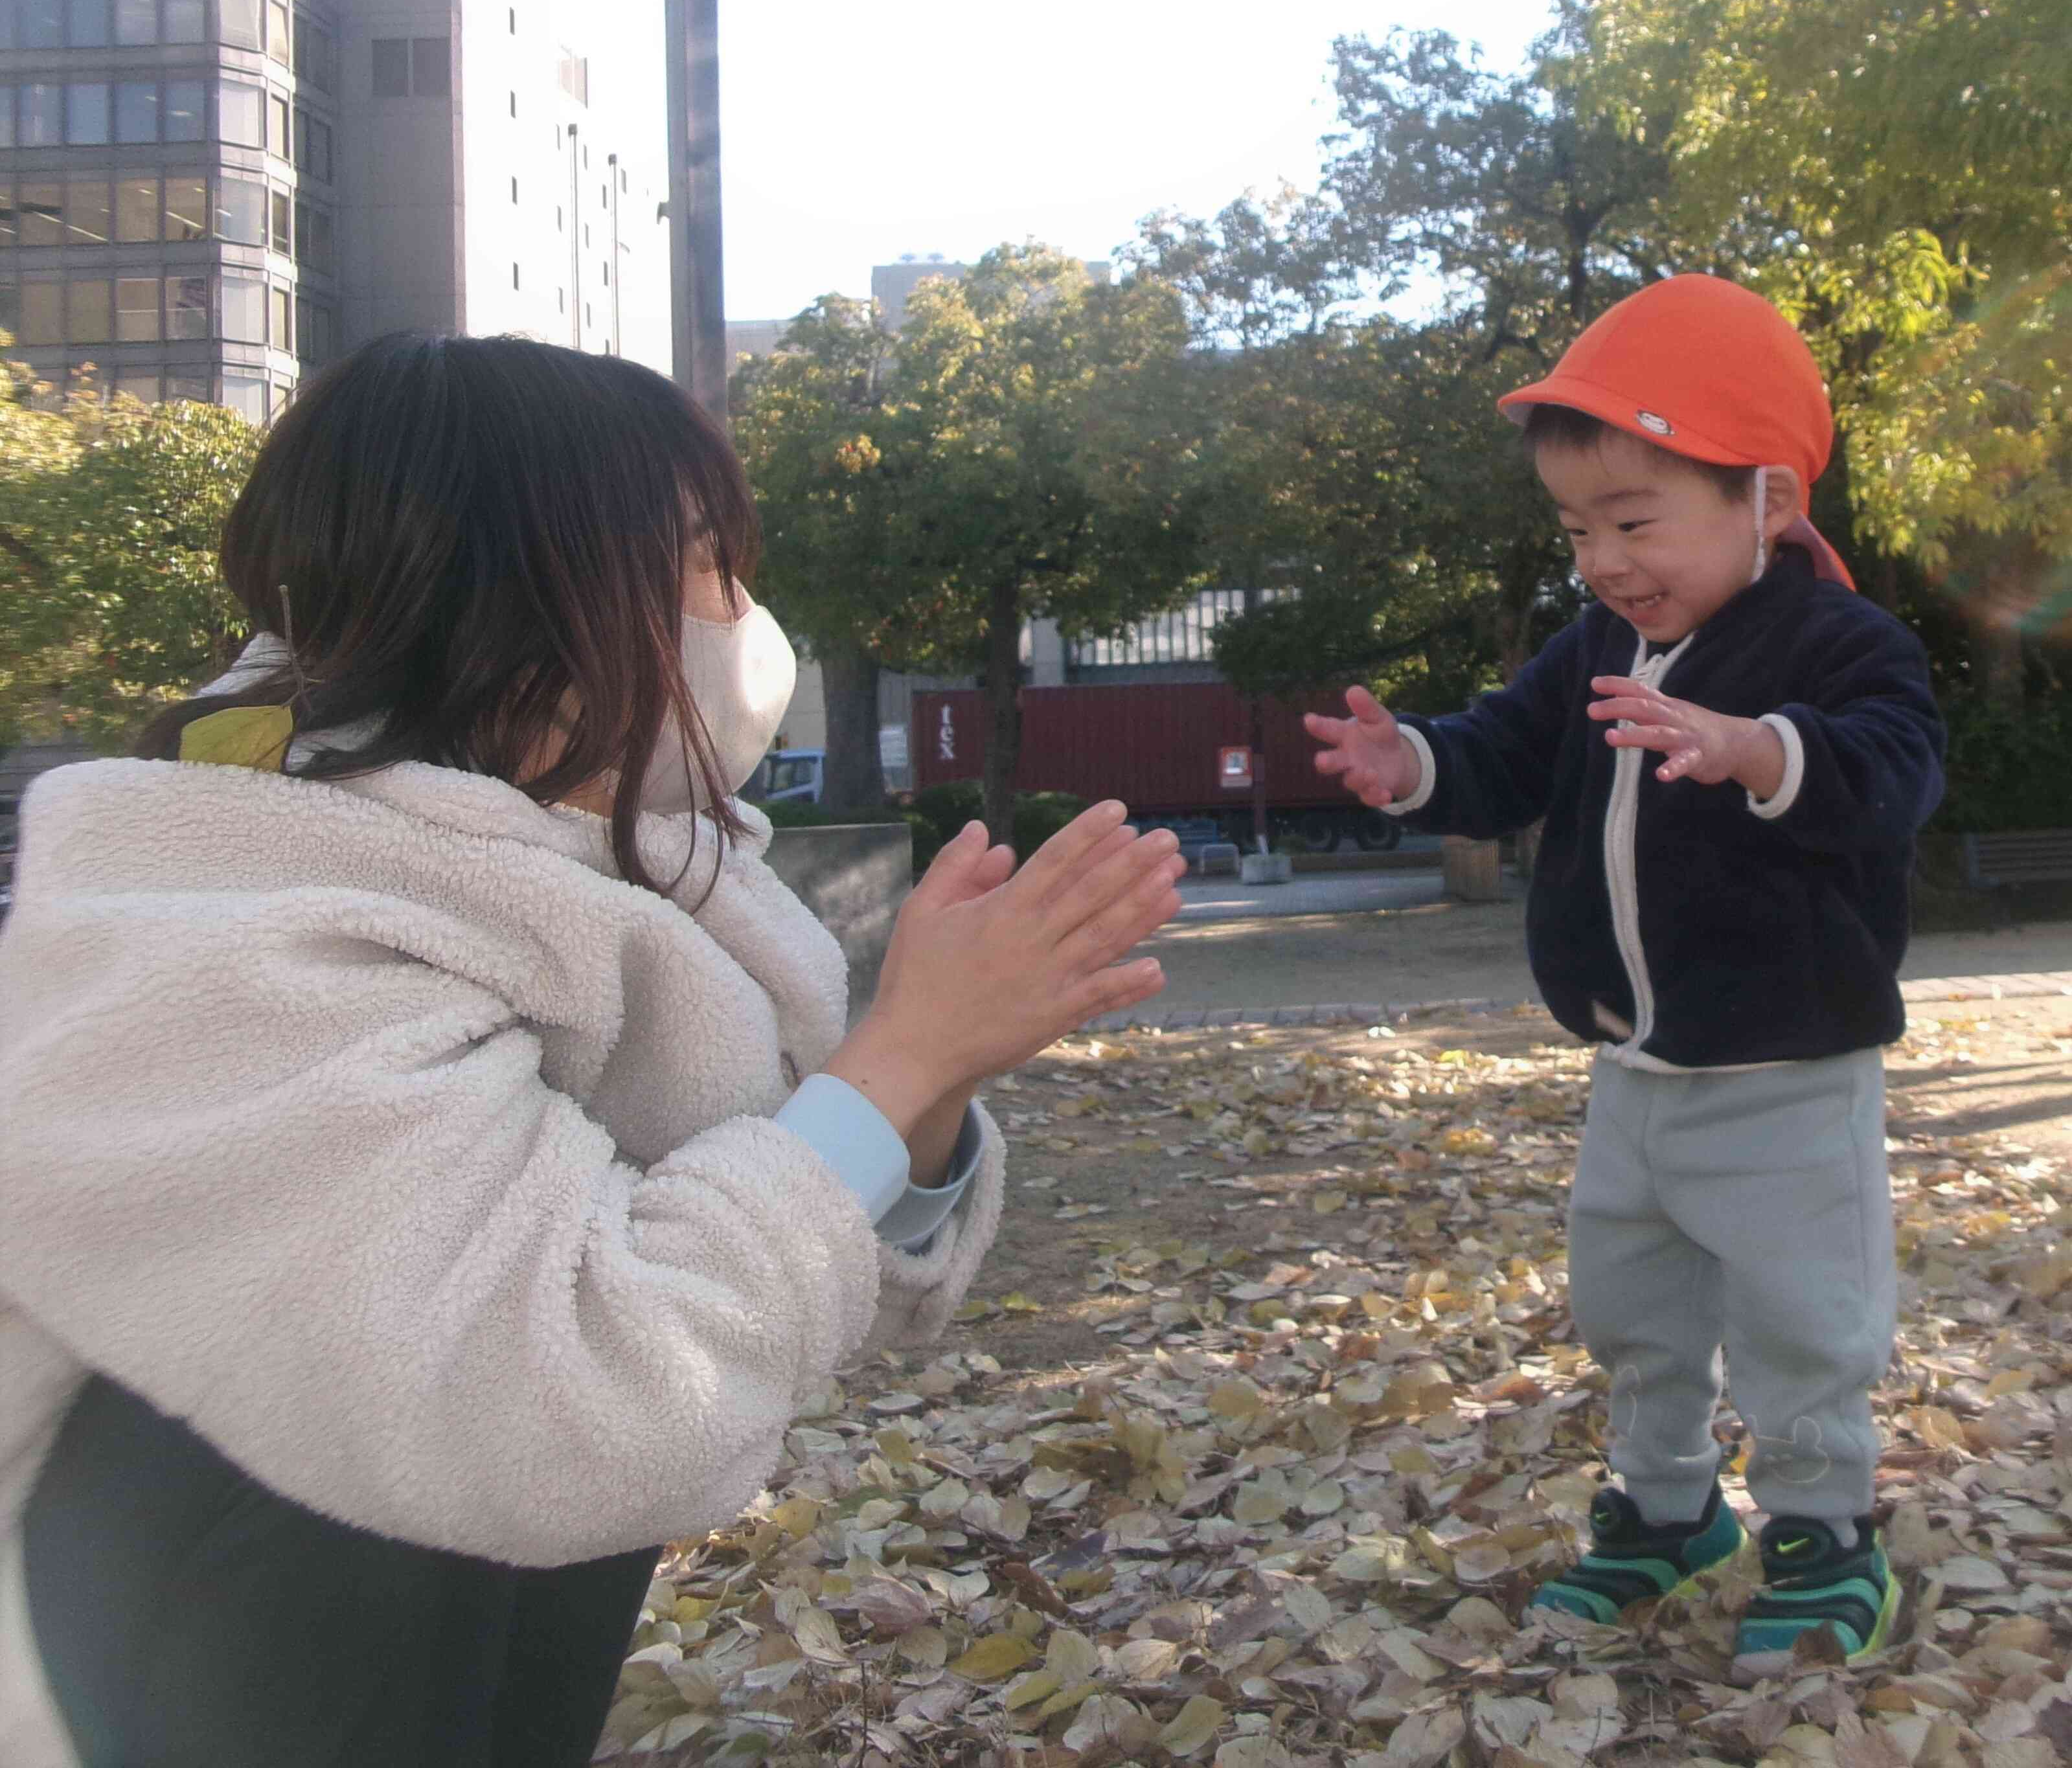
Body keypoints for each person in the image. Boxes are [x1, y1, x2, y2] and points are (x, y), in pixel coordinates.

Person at [0, 334, 1185, 1768]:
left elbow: (791, 1277)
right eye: (703, 563)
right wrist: (893, 1066)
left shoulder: (616, 882)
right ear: (523, 599)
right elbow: (577, 1408)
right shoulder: (238, 934)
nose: (744, 618)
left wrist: (928, 1078)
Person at [1306, 273, 1945, 1677]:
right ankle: (1664, 1512)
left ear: (1767, 500)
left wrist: (1755, 749)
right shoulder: (1600, 644)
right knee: (1633, 1308)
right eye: (1578, 528)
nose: (1603, 559)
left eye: (1636, 520)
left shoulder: (1841, 643)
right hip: (1635, 1070)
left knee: (1803, 1316)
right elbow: (1506, 744)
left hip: (1787, 1064)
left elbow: (1892, 774)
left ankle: (1826, 1530)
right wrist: (1409, 763)